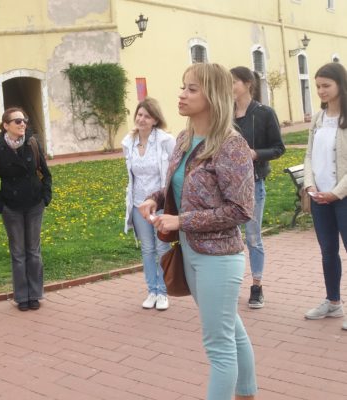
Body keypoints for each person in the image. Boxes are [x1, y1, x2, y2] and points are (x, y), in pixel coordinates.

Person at [139, 63, 257, 399]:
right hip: (190, 251)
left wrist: (181, 221)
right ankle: (247, 393)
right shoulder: (185, 138)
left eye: (192, 89)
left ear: (214, 96)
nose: (182, 94)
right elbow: (180, 187)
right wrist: (155, 198)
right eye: (183, 86)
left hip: (218, 258)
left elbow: (240, 210)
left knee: (219, 344)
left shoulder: (231, 145)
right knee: (231, 329)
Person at [0, 107, 52, 311]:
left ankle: (35, 294)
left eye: (24, 120)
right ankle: (22, 296)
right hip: (11, 207)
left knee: (34, 251)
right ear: (6, 125)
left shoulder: (32, 144)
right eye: (17, 121)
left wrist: (45, 197)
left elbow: (45, 172)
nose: (23, 124)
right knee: (18, 253)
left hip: (34, 204)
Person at [231, 66, 285, 309]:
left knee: (252, 237)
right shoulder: (226, 113)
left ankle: (256, 286)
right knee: (231, 238)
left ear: (247, 84)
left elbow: (279, 148)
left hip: (253, 183)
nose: (230, 87)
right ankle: (231, 284)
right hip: (228, 186)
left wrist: (256, 154)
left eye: (233, 82)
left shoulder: (264, 113)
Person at [302, 62, 347, 331]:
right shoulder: (318, 118)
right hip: (320, 197)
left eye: (326, 86)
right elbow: (309, 154)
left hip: (342, 197)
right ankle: (333, 302)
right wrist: (310, 185)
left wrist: (336, 193)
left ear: (340, 85)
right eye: (318, 86)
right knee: (328, 251)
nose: (321, 91)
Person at [122, 98, 175, 311]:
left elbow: (173, 172)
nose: (141, 119)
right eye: (139, 114)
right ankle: (151, 290)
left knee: (162, 247)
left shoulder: (165, 141)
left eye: (147, 116)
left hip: (159, 204)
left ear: (155, 120)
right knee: (147, 248)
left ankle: (163, 292)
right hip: (138, 205)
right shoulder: (129, 142)